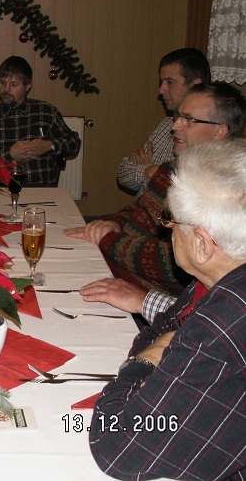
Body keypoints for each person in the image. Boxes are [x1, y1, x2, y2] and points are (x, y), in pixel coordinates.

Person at [89, 139, 246, 480]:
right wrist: (159, 347)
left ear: (202, 244)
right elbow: (160, 327)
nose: (167, 227)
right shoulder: (215, 281)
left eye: (170, 219)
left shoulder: (221, 326)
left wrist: (143, 362)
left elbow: (118, 448)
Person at [65, 82, 246, 297]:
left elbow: (173, 260)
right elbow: (138, 210)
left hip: (144, 295)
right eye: (178, 116)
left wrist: (107, 240)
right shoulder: (171, 168)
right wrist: (112, 223)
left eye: (189, 119)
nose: (175, 125)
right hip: (114, 266)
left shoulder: (224, 190)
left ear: (219, 131)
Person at [0, 55, 81, 186]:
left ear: (27, 86)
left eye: (13, 84)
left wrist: (49, 146)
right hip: (0, 189)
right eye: (3, 83)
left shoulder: (45, 111)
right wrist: (9, 154)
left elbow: (74, 143)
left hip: (41, 189)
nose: (6, 89)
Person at [117, 48, 210, 195]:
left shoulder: (205, 134)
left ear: (194, 85)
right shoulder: (166, 125)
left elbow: (181, 192)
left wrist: (153, 173)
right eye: (162, 82)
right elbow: (123, 174)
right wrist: (149, 170)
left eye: (170, 82)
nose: (162, 90)